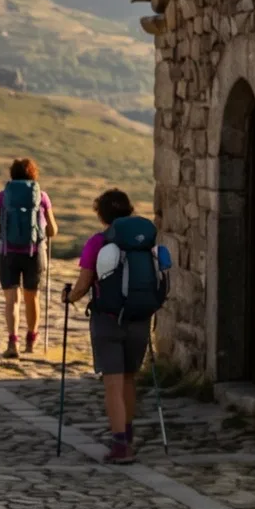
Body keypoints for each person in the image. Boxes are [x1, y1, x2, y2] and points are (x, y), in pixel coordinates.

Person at [63, 188, 163, 464]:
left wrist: (69, 297)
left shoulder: (97, 243)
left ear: (102, 215)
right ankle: (127, 435)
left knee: (113, 382)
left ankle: (120, 445)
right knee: (130, 378)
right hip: (140, 318)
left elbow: (84, 284)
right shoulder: (145, 242)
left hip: (107, 320)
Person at [0, 157, 59, 358]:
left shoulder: (3, 196)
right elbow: (53, 230)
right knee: (32, 296)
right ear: (33, 174)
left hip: (8, 252)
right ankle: (31, 340)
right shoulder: (42, 197)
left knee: (12, 299)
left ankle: (13, 343)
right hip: (34, 252)